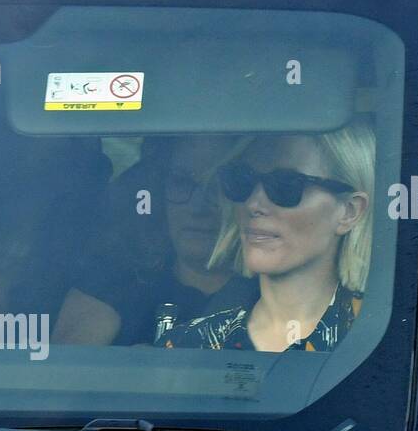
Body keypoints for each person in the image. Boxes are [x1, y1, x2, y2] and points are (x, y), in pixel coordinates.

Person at [159, 118, 374, 352]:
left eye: (286, 185)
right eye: (242, 180)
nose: (254, 203)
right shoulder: (187, 345)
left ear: (349, 211)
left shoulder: (381, 339)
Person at [53, 135, 254, 346]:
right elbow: (58, 375)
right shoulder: (111, 289)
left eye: (220, 185)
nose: (198, 207)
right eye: (181, 182)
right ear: (160, 191)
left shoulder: (279, 295)